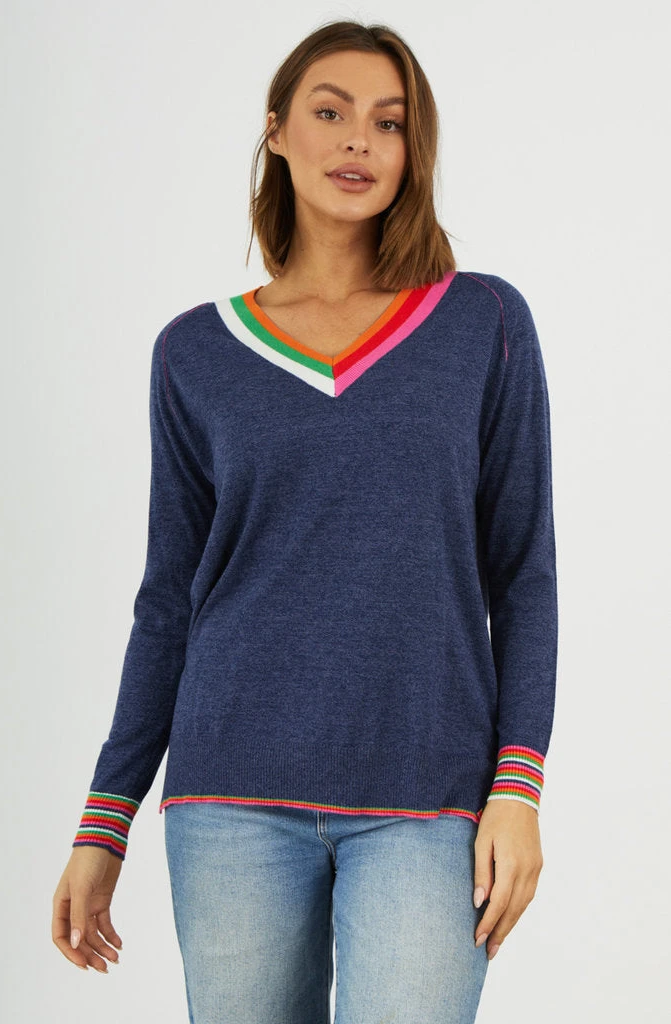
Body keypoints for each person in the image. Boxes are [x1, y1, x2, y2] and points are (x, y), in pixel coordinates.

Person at [51, 18, 558, 1024]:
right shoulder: (193, 353)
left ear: (413, 152)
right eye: (330, 112)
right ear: (277, 131)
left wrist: (518, 786)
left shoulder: (482, 322)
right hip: (229, 797)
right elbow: (169, 602)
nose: (358, 138)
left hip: (428, 798)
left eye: (388, 122)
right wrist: (103, 822)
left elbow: (523, 574)